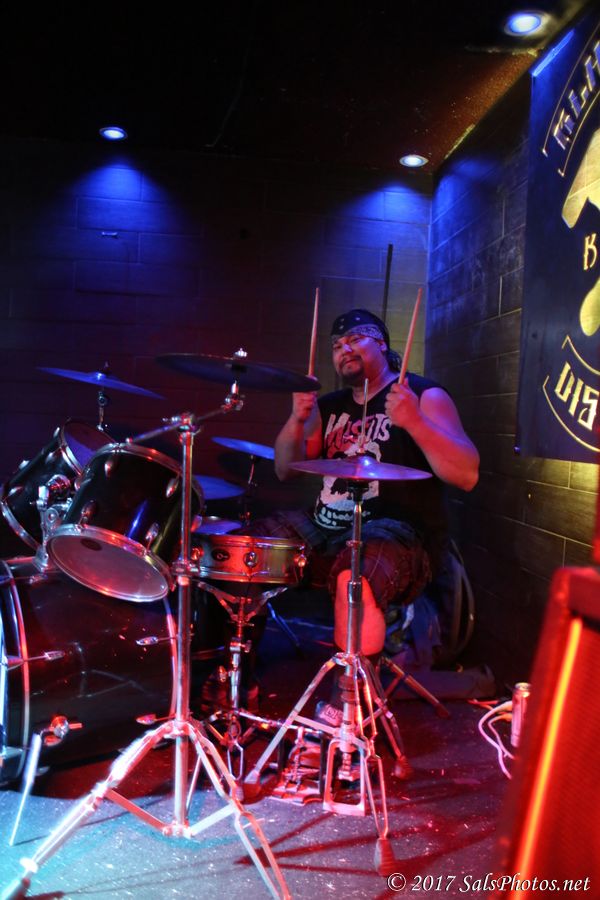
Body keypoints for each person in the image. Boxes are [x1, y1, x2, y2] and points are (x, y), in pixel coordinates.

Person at [261, 307, 479, 725]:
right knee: (242, 548)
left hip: (401, 534)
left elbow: (466, 474)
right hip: (327, 526)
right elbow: (285, 469)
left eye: (354, 339)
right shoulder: (329, 406)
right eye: (336, 345)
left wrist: (414, 422)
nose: (343, 350)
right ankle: (225, 676)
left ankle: (348, 711)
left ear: (380, 343)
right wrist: (297, 419)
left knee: (355, 574)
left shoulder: (423, 395)